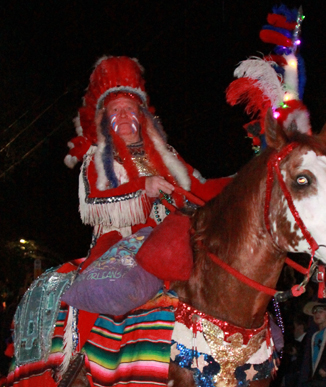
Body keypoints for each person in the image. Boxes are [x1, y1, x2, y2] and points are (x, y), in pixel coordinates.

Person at [64, 56, 230, 267]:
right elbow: (93, 202)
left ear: (142, 116)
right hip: (121, 245)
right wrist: (144, 188)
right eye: (115, 109)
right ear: (104, 119)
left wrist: (246, 177)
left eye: (129, 108)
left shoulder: (167, 154)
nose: (123, 115)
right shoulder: (98, 158)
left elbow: (199, 189)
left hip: (178, 238)